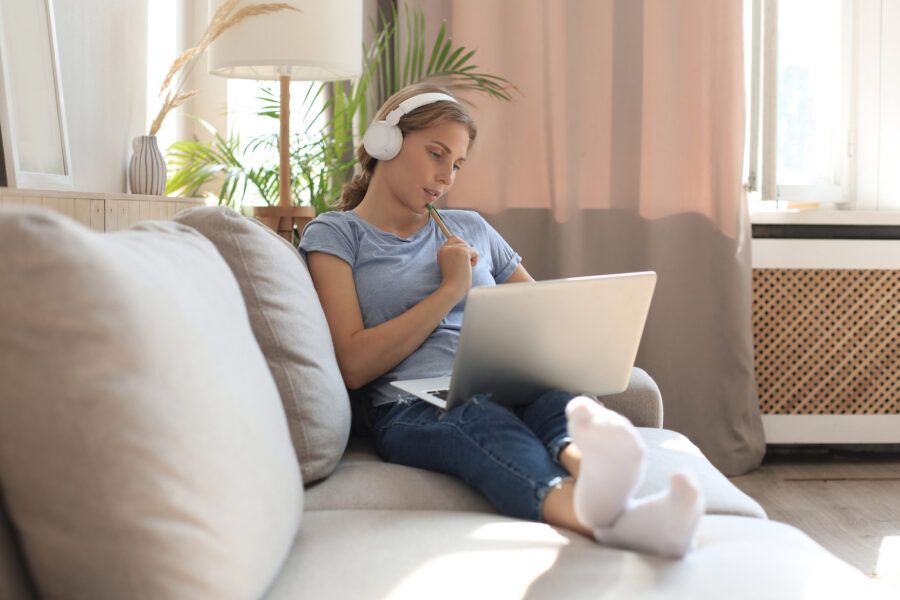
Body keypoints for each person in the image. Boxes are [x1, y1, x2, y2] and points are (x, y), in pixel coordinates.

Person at [299, 83, 705, 558]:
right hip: (410, 406)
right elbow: (353, 363)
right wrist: (451, 289)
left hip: (508, 385)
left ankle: (595, 472)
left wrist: (583, 341)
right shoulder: (336, 233)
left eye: (456, 164)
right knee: (482, 421)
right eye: (436, 154)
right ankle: (598, 517)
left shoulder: (471, 227)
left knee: (561, 403)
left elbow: (543, 314)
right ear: (385, 141)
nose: (445, 176)